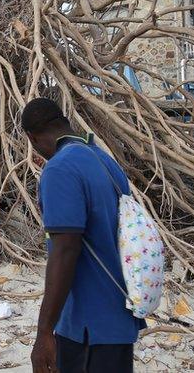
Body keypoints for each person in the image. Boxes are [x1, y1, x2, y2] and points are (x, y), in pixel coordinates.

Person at [21, 97, 144, 373]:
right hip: (119, 320)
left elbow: (66, 250)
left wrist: (44, 333)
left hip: (85, 327)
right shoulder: (104, 160)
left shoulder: (59, 169)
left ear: (33, 138)